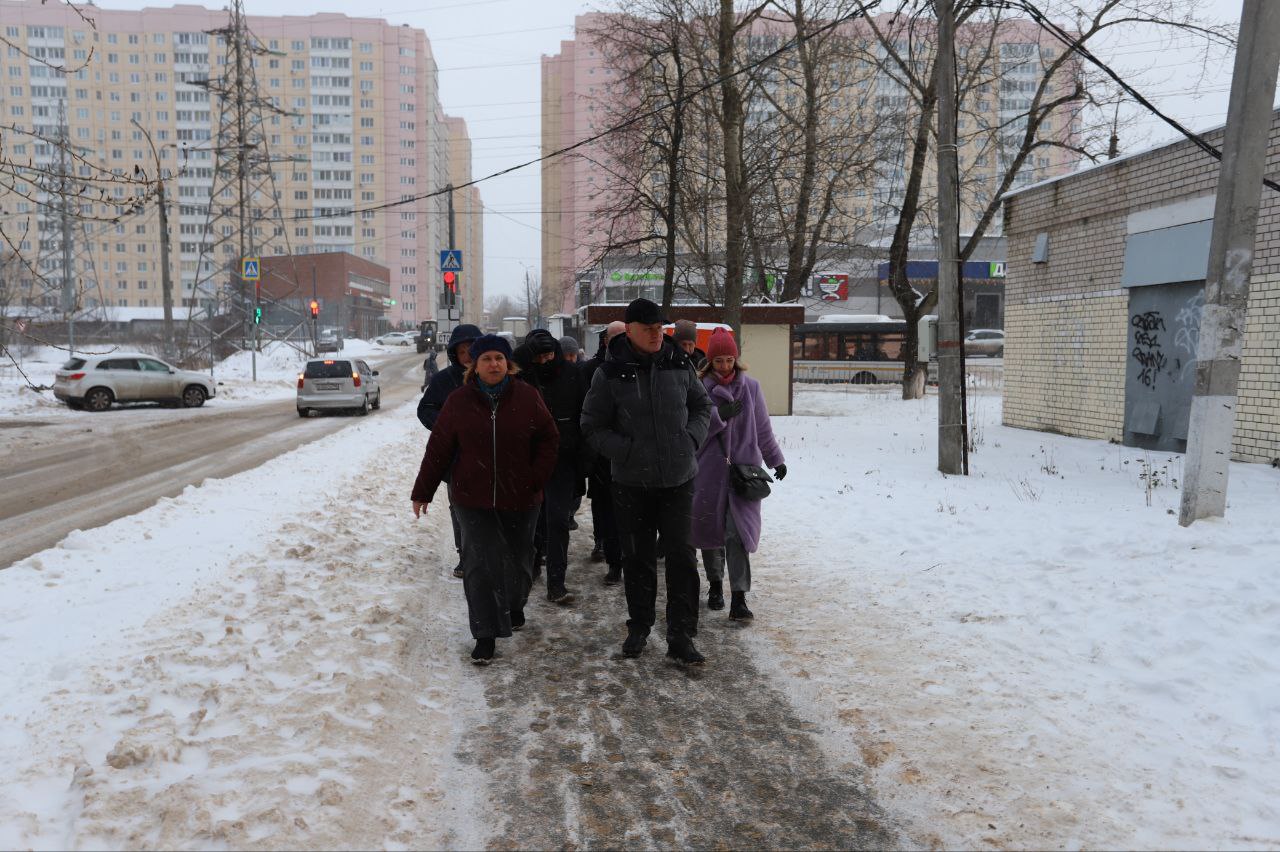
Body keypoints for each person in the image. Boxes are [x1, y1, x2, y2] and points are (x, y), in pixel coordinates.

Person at [411, 335, 559, 665]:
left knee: (520, 560)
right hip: (472, 497)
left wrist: (534, 479)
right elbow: (439, 449)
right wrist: (423, 491)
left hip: (521, 495)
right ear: (474, 366)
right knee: (479, 563)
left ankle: (513, 603)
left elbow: (549, 440)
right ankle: (485, 633)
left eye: (499, 358)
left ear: (509, 364)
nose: (494, 364)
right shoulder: (459, 401)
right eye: (486, 359)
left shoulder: (527, 396)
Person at [581, 298, 712, 666]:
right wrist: (627, 451)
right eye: (650, 328)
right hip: (631, 483)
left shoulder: (679, 362)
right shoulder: (610, 372)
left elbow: (702, 407)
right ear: (632, 329)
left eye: (660, 328)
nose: (658, 334)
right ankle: (639, 625)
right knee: (637, 559)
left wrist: (690, 440)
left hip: (678, 479)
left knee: (682, 558)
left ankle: (681, 635)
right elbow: (592, 425)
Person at [691, 328, 786, 620]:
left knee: (737, 535)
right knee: (710, 533)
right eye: (718, 360)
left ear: (736, 359)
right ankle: (716, 584)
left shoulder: (752, 388)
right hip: (708, 472)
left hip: (743, 475)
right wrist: (721, 418)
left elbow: (762, 429)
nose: (724, 366)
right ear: (710, 361)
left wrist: (776, 460)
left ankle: (739, 598)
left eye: (729, 359)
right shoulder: (700, 389)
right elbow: (692, 433)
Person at [513, 328, 589, 605]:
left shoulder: (571, 375)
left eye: (549, 355)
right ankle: (531, 568)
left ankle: (556, 581)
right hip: (528, 459)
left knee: (557, 519)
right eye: (539, 357)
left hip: (563, 458)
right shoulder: (520, 376)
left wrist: (581, 453)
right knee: (530, 520)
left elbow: (585, 413)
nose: (545, 361)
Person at [417, 323, 482, 578]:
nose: (469, 356)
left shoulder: (491, 375)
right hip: (456, 460)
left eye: (473, 350)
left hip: (494, 458)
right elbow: (426, 409)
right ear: (455, 353)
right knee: (460, 509)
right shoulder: (445, 380)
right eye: (463, 351)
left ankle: (488, 553)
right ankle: (465, 556)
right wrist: (446, 427)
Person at [579, 320, 627, 581]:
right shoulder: (592, 370)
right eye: (614, 337)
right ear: (605, 340)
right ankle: (612, 557)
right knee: (605, 507)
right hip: (601, 453)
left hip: (631, 452)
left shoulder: (639, 366)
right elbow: (585, 413)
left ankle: (625, 556)